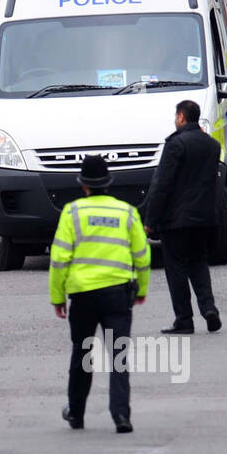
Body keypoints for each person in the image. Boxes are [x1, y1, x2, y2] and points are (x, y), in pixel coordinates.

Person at [50, 155, 149, 434]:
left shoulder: (71, 213)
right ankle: (121, 416)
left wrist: (58, 297)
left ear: (83, 185)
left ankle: (76, 413)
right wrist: (141, 288)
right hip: (118, 294)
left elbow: (59, 259)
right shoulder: (127, 213)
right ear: (109, 183)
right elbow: (141, 255)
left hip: (82, 296)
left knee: (81, 353)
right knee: (118, 356)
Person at [144, 100, 223, 335]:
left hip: (177, 219)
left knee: (176, 268)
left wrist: (150, 220)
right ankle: (209, 308)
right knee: (198, 262)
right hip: (205, 217)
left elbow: (162, 185)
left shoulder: (175, 144)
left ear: (181, 117)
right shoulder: (212, 145)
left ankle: (184, 319)